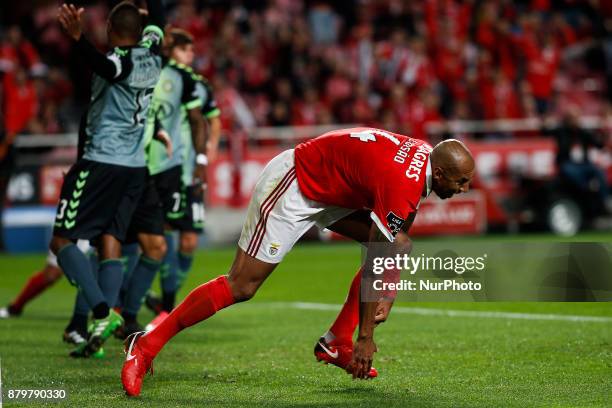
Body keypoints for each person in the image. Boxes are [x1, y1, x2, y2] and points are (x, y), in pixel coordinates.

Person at [121, 127, 475, 396]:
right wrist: (366, 336)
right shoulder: (406, 183)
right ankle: (146, 345)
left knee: (396, 246)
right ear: (440, 175)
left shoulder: (426, 159)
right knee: (242, 285)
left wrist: (390, 288)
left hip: (328, 187)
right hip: (296, 185)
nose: (464, 189)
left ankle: (337, 341)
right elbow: (376, 259)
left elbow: (393, 238)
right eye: (461, 182)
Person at [49, 0, 165, 357]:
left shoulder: (118, 60)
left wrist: (77, 38)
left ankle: (102, 311)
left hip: (101, 161)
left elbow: (104, 65)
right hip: (133, 169)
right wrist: (152, 10)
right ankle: (100, 330)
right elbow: (155, 27)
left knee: (62, 241)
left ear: (111, 31)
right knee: (110, 240)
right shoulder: (154, 54)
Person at [144, 29, 221, 327]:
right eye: (184, 49)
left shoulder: (199, 85)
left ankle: (167, 298)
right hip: (168, 168)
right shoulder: (160, 78)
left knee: (189, 241)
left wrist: (209, 150)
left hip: (192, 171)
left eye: (191, 50)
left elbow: (211, 120)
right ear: (170, 49)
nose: (190, 55)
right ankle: (166, 304)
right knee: (162, 233)